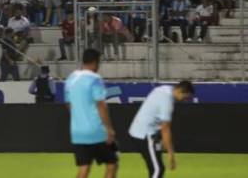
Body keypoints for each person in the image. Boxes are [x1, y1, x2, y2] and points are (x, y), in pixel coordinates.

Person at [64, 49, 118, 178]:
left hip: (78, 132)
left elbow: (68, 103)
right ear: (95, 62)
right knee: (112, 164)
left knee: (84, 168)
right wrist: (109, 129)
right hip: (97, 131)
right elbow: (101, 105)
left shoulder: (71, 78)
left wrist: (79, 117)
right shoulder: (95, 79)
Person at [128, 80, 195, 178]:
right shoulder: (167, 100)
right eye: (185, 97)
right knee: (158, 169)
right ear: (181, 90)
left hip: (141, 132)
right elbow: (165, 128)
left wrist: (162, 140)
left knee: (155, 168)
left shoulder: (164, 89)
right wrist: (171, 154)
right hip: (145, 134)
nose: (184, 100)